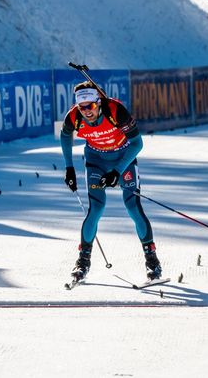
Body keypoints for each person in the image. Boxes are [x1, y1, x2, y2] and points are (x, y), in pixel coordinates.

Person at [61, 81, 162, 282]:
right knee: (96, 209)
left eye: (89, 106)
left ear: (98, 103)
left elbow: (137, 143)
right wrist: (69, 168)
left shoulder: (115, 111)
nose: (86, 112)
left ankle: (152, 261)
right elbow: (65, 137)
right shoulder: (73, 116)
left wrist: (117, 171)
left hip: (123, 158)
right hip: (96, 161)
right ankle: (83, 262)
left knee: (132, 205)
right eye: (82, 108)